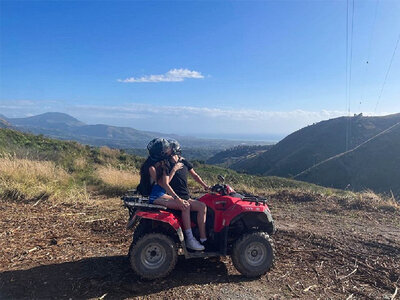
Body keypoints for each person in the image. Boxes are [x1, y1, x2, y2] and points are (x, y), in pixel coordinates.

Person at [139, 138, 205, 251]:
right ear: (160, 152)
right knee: (185, 206)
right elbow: (164, 184)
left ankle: (200, 237)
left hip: (162, 194)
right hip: (157, 196)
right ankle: (189, 239)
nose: (167, 151)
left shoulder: (159, 164)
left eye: (167, 148)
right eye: (165, 149)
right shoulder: (152, 168)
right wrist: (173, 170)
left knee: (190, 204)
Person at [167, 139, 210, 245]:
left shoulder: (183, 161)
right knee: (194, 206)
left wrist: (205, 186)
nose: (166, 151)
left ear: (174, 150)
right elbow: (165, 182)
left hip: (185, 196)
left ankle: (203, 238)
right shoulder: (166, 164)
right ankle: (195, 238)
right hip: (175, 196)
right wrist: (174, 169)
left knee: (202, 206)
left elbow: (195, 175)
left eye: (169, 149)